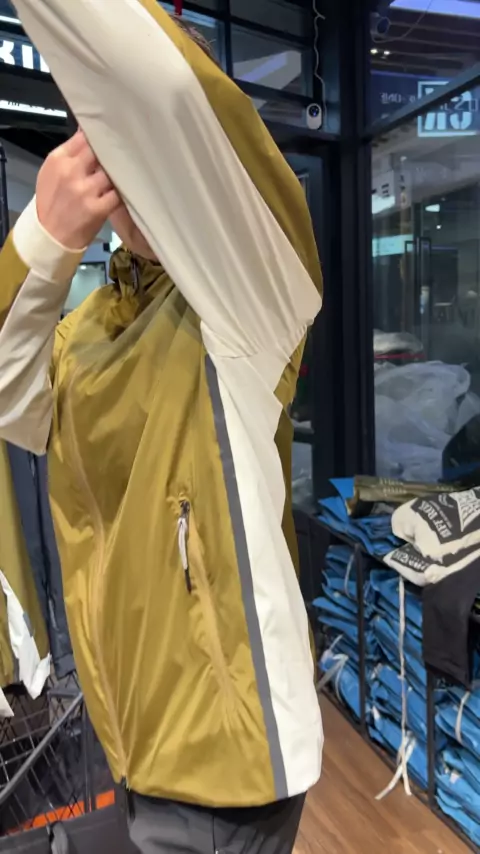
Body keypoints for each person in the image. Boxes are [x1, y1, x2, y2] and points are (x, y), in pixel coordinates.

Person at [0, 3, 324, 852]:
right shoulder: (88, 328)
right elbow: (8, 397)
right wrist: (43, 236)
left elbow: (162, 87)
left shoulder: (247, 293)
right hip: (136, 735)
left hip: (223, 759)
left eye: (132, 137)